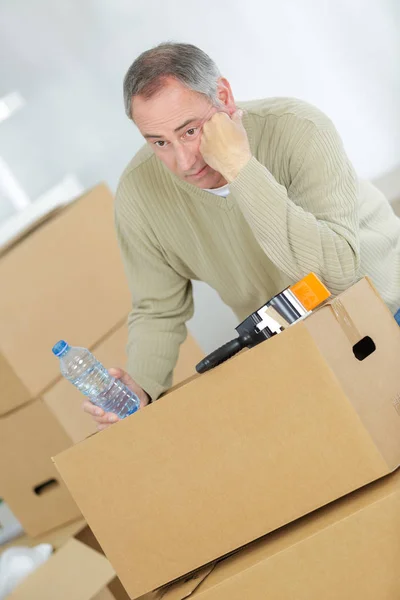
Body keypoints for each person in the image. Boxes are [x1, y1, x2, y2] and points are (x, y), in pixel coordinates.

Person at [84, 42, 400, 429]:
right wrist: (143, 387)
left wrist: (240, 168)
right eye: (159, 142)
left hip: (388, 311)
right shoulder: (139, 195)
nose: (184, 162)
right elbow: (158, 309)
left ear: (223, 96)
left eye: (191, 130)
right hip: (304, 353)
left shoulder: (297, 128)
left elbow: (335, 275)